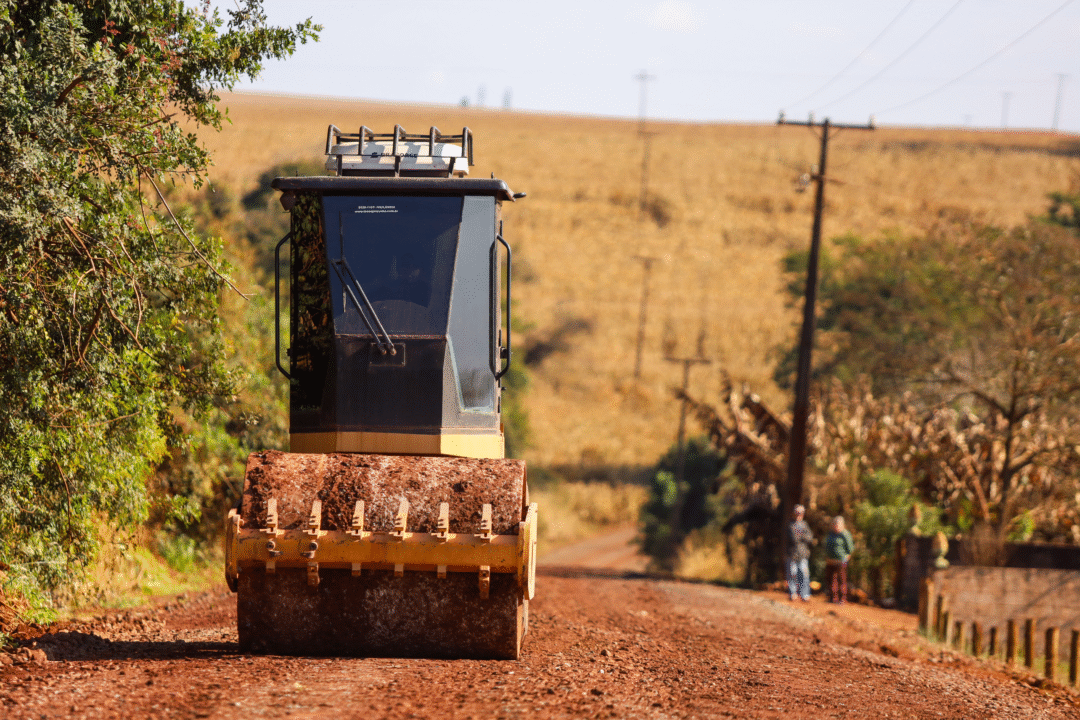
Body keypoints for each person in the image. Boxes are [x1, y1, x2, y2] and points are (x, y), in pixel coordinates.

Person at [824, 515, 855, 604]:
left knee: (842, 580)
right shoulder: (830, 534)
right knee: (831, 580)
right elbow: (827, 546)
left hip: (841, 561)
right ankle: (833, 598)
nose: (836, 526)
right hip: (830, 561)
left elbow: (850, 548)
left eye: (837, 524)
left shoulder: (845, 534)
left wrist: (846, 557)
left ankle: (842, 598)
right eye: (834, 524)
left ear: (842, 525)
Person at [787, 504, 813, 601]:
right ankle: (792, 594)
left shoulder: (805, 525)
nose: (799, 515)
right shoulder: (790, 525)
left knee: (804, 576)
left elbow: (810, 538)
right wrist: (802, 536)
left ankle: (805, 595)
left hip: (803, 554)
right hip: (792, 554)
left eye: (801, 513)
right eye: (797, 513)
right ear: (794, 513)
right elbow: (794, 538)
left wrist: (801, 536)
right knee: (792, 575)